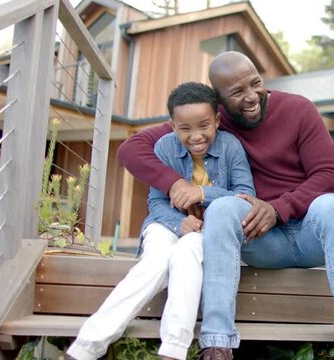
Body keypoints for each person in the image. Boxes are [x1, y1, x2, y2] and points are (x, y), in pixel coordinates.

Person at [118, 51, 334, 360]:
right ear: (219, 103)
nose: (252, 96)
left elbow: (330, 175)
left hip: (311, 233)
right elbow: (132, 148)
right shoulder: (212, 122)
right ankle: (217, 344)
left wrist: (278, 207)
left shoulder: (298, 110)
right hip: (259, 239)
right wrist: (177, 184)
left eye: (256, 83)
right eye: (237, 92)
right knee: (223, 208)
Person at [67, 82, 255, 360]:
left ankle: (172, 351)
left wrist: (202, 193)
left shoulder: (231, 147)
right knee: (155, 263)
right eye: (185, 128)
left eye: (204, 125)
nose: (196, 136)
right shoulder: (164, 147)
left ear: (217, 119)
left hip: (207, 230)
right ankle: (86, 347)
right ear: (172, 125)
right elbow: (156, 202)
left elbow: (245, 196)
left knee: (188, 249)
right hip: (165, 223)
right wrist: (178, 223)